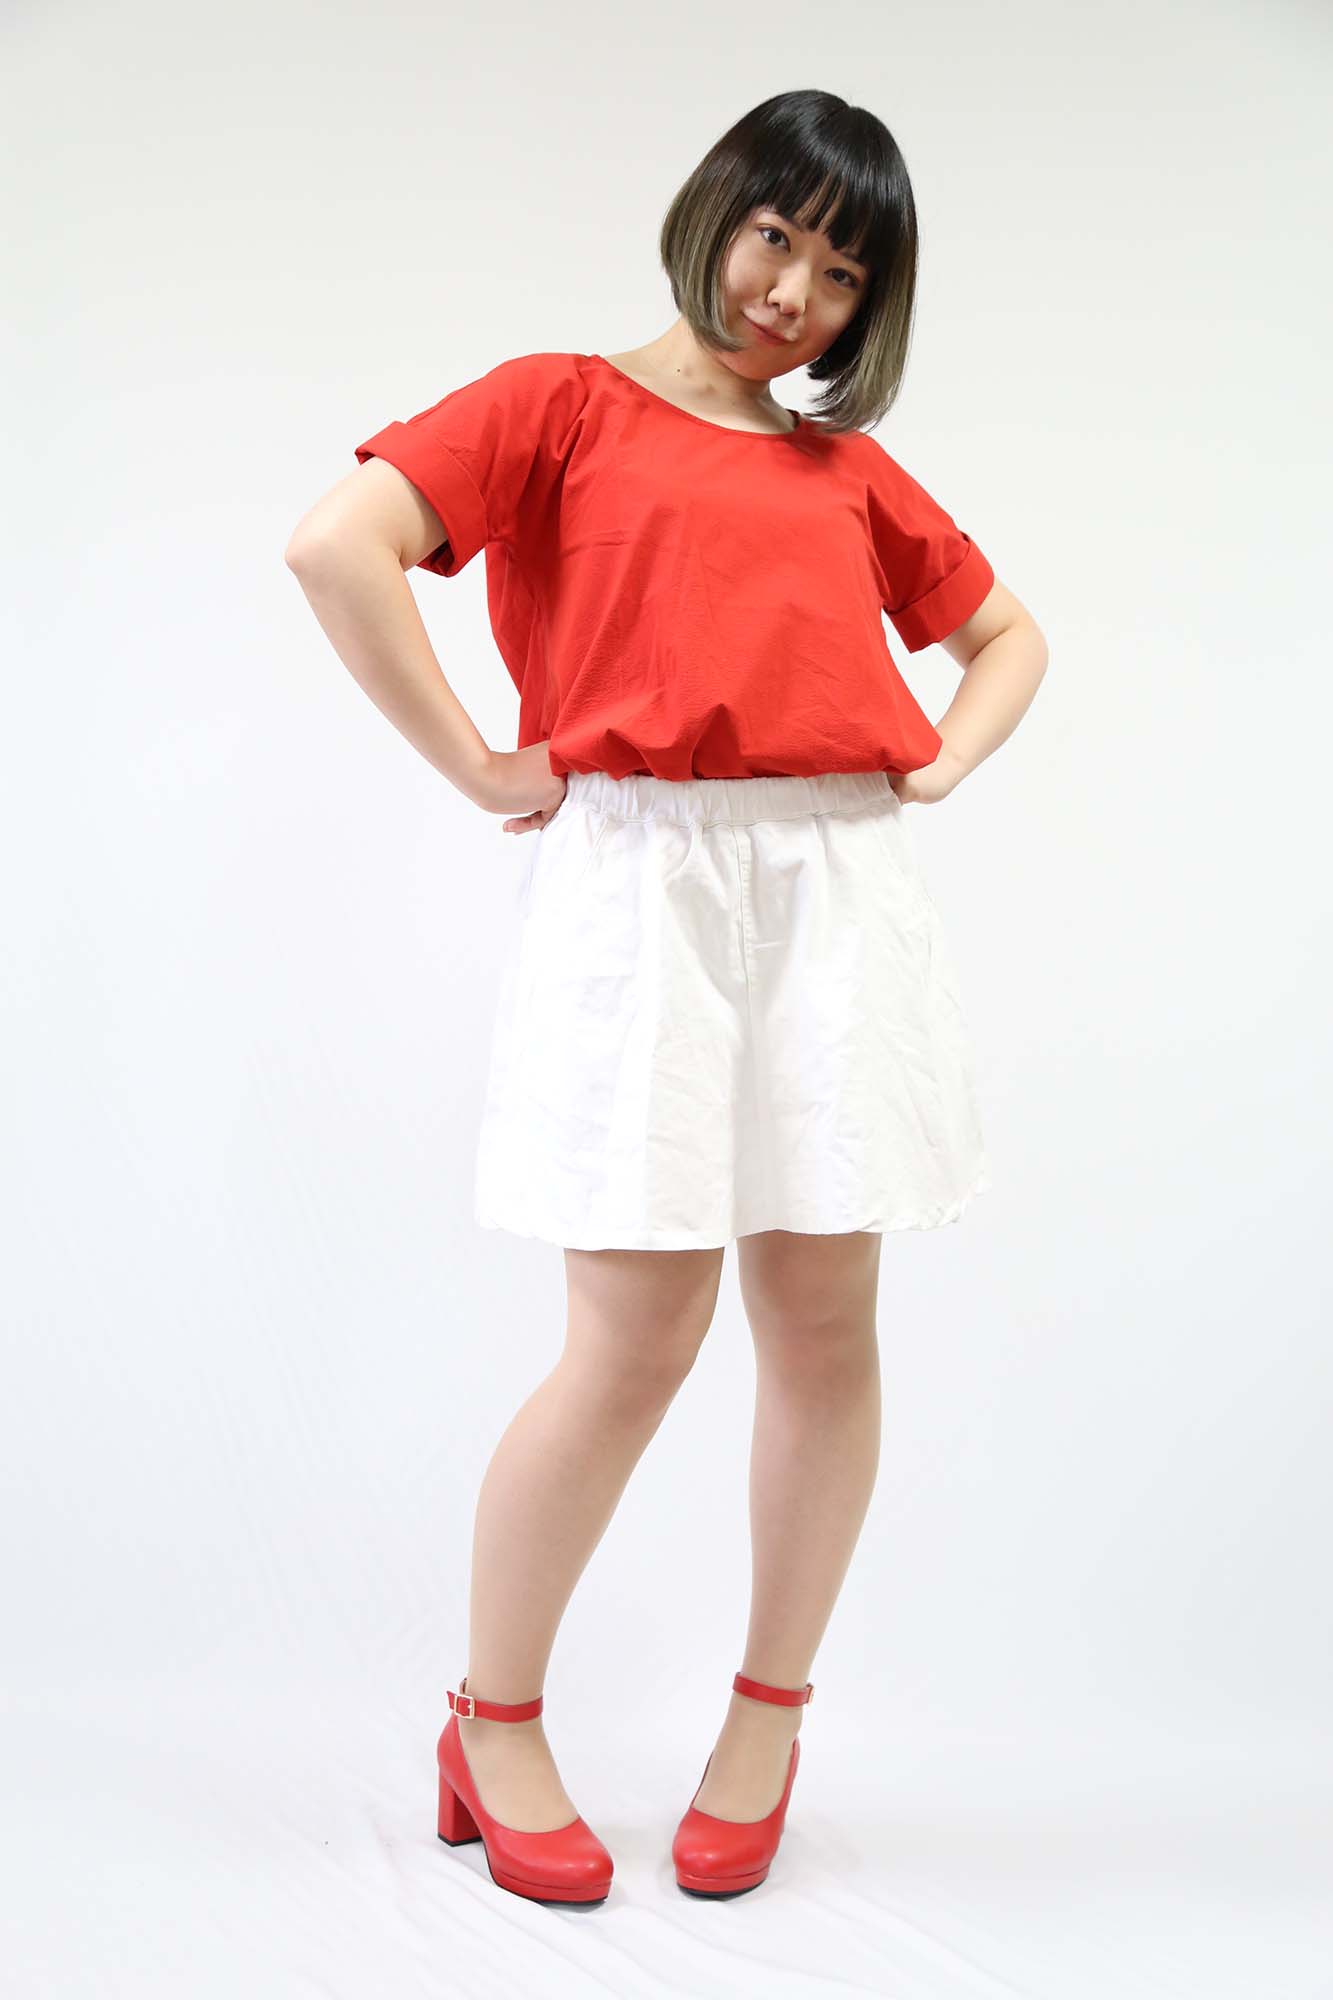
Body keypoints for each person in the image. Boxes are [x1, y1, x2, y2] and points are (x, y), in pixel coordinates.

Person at [285, 87, 1049, 1909]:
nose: (793, 295)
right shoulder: (557, 402)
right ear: (716, 210)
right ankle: (493, 1718)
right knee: (631, 1340)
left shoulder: (843, 475)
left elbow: (1009, 635)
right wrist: (482, 764)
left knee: (823, 1324)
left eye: (842, 275)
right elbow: (336, 543)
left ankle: (765, 1719)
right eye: (777, 236)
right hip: (639, 885)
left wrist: (940, 760)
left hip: (834, 888)